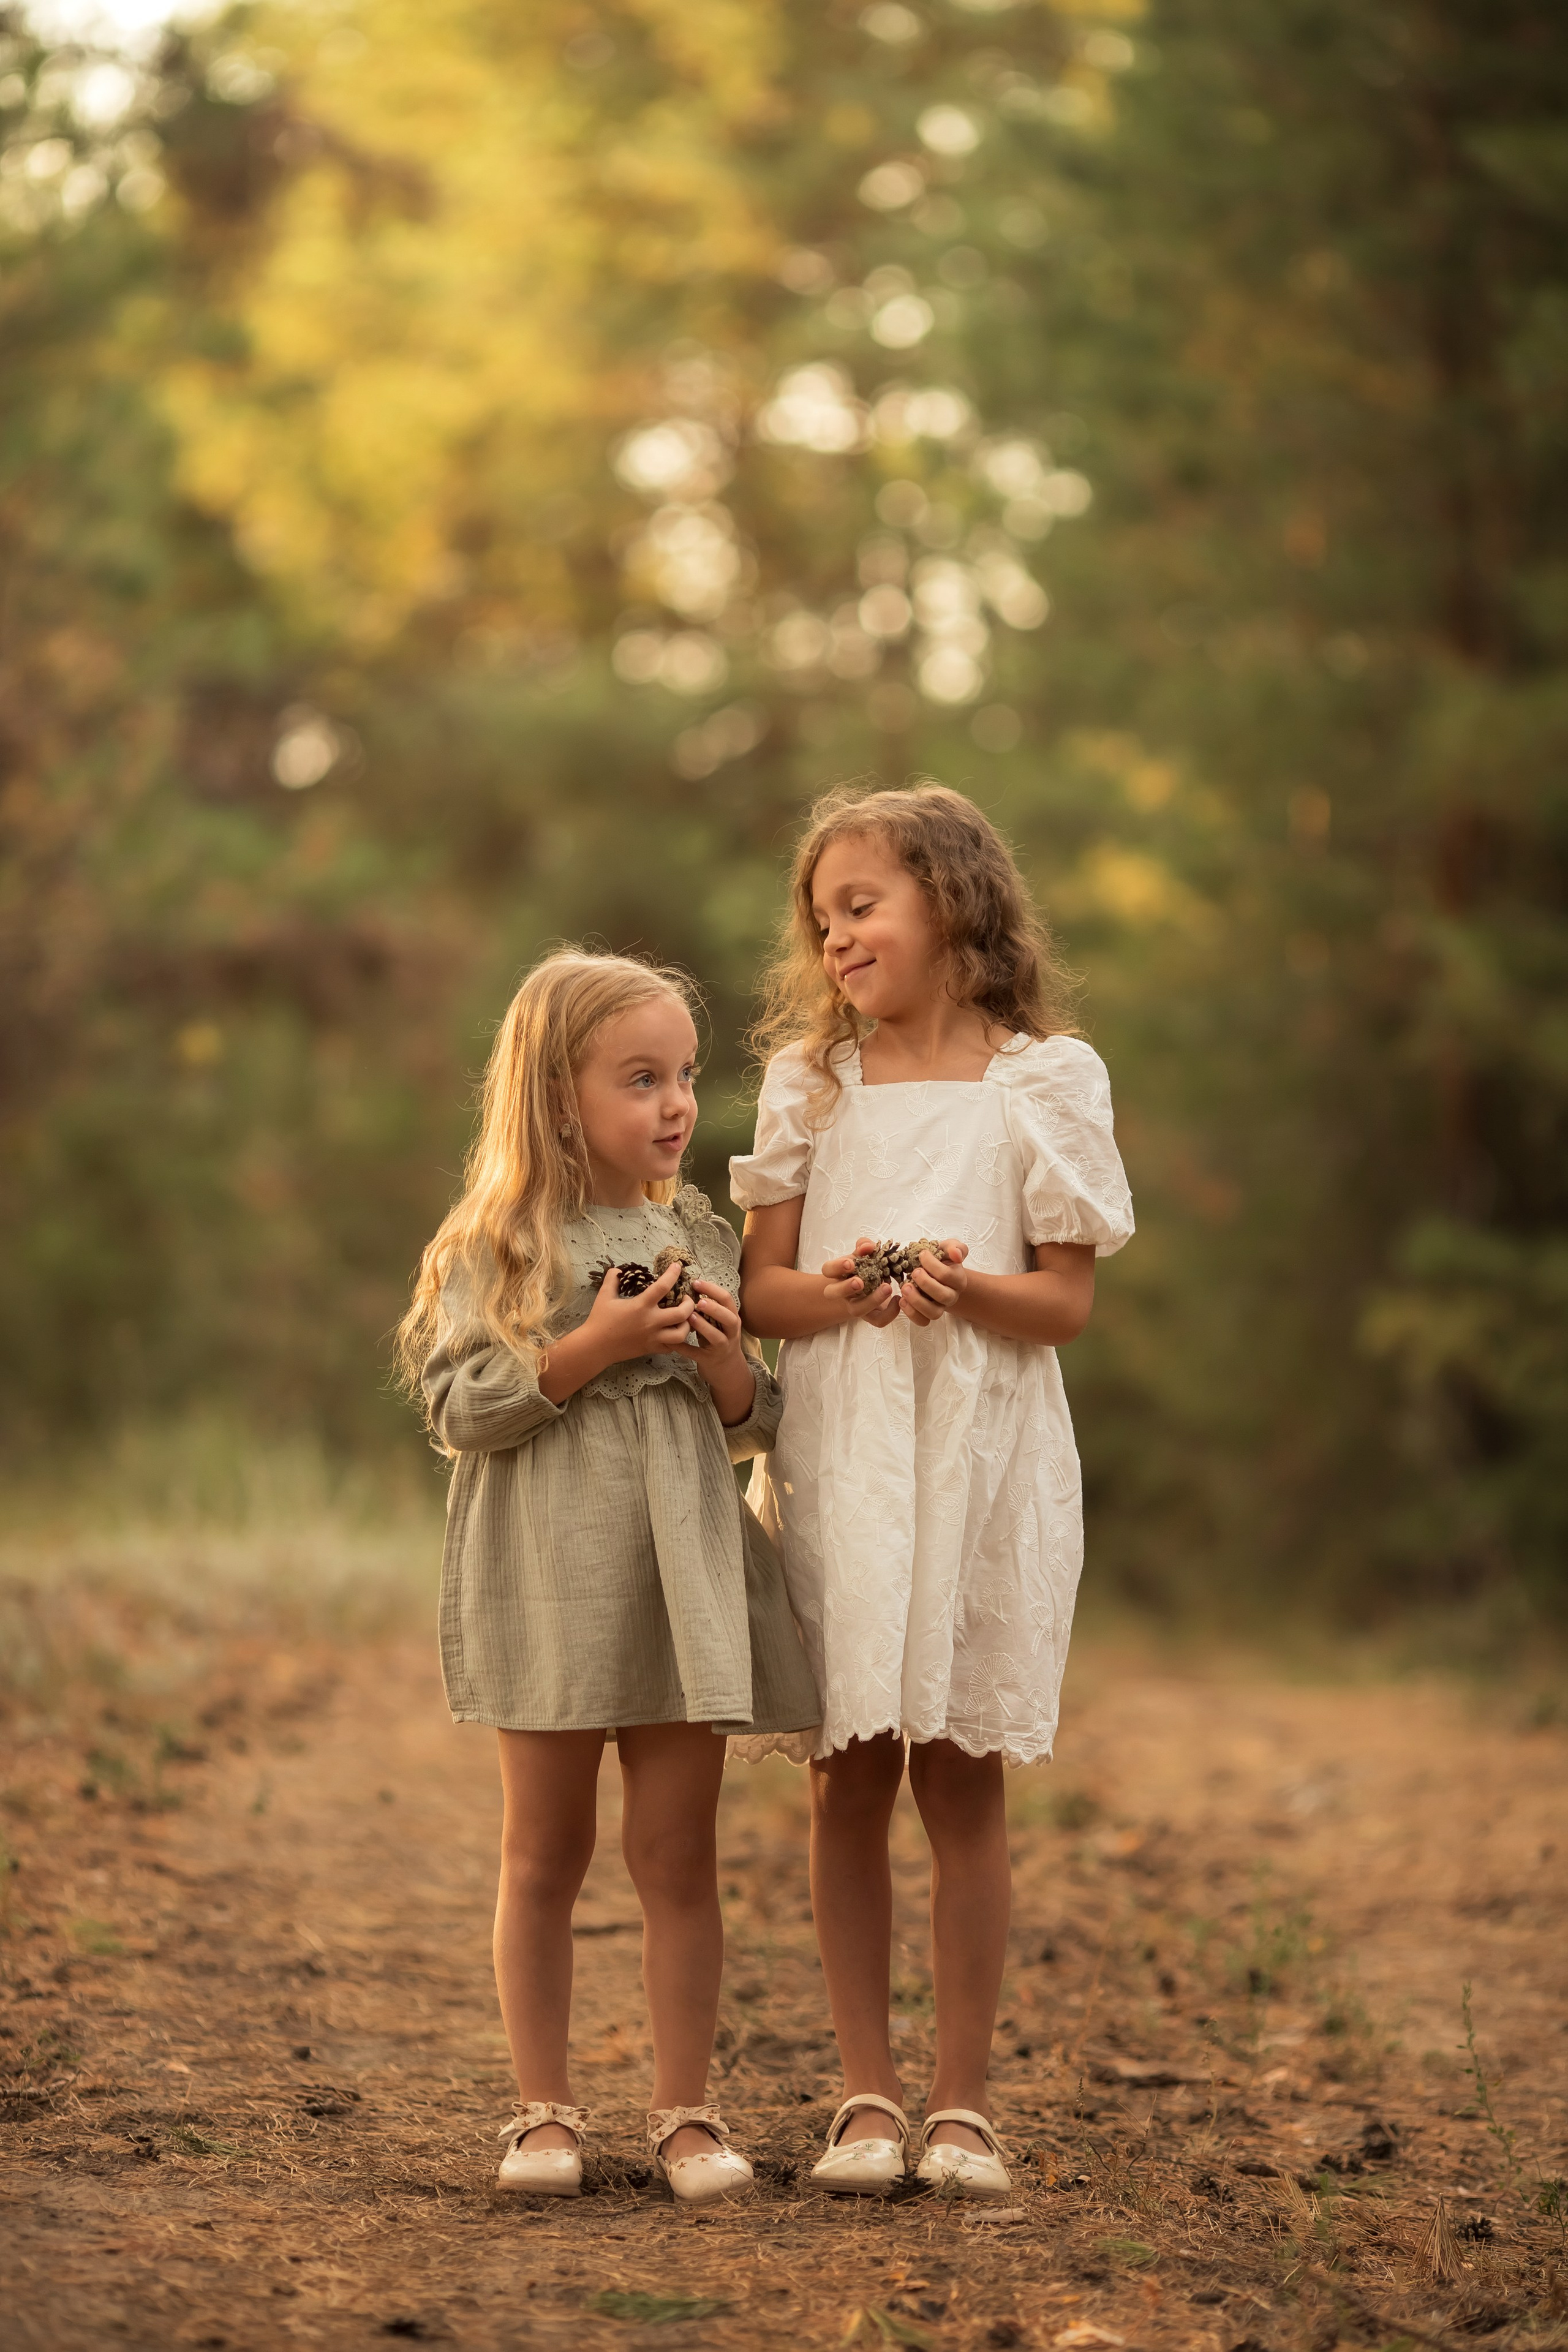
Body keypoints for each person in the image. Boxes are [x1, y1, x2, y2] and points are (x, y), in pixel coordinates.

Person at [732, 783, 1134, 2201]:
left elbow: (1063, 1304)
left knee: (959, 1775)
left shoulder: (1044, 1081)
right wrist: (841, 1291)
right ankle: (865, 2096)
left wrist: (969, 1290)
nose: (835, 937)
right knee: (847, 1773)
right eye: (820, 919)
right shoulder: (809, 1084)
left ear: (951, 901)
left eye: (861, 905)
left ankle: (961, 2106)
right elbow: (762, 1291)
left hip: (980, 1453)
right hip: (845, 1448)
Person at [398, 949, 819, 2206]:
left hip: (681, 1582)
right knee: (545, 1852)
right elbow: (462, 1411)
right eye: (641, 1079)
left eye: (684, 1075)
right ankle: (542, 2115)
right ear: (554, 1095)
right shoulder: (497, 1245)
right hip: (552, 1579)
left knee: (676, 1855)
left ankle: (686, 2114)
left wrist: (725, 1362)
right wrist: (593, 1343)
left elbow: (755, 1424)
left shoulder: (700, 1234)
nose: (676, 1103)